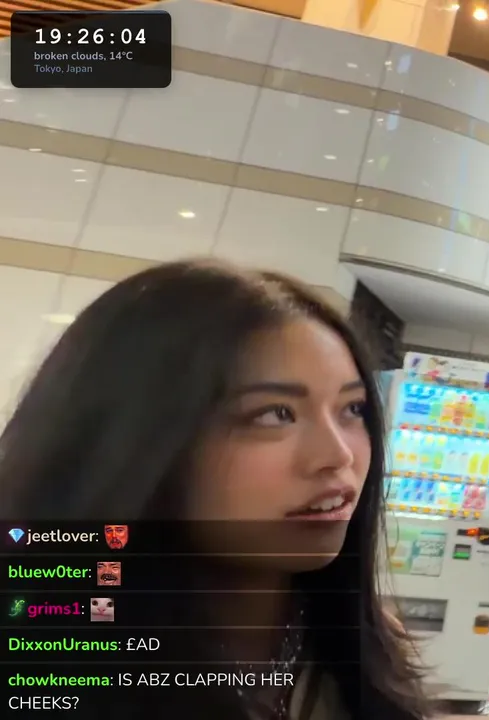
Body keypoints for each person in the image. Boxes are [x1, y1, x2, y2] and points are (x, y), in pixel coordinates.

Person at [0, 260, 432, 719]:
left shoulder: (368, 648)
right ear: (134, 439)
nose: (339, 455)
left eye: (353, 409)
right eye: (274, 414)